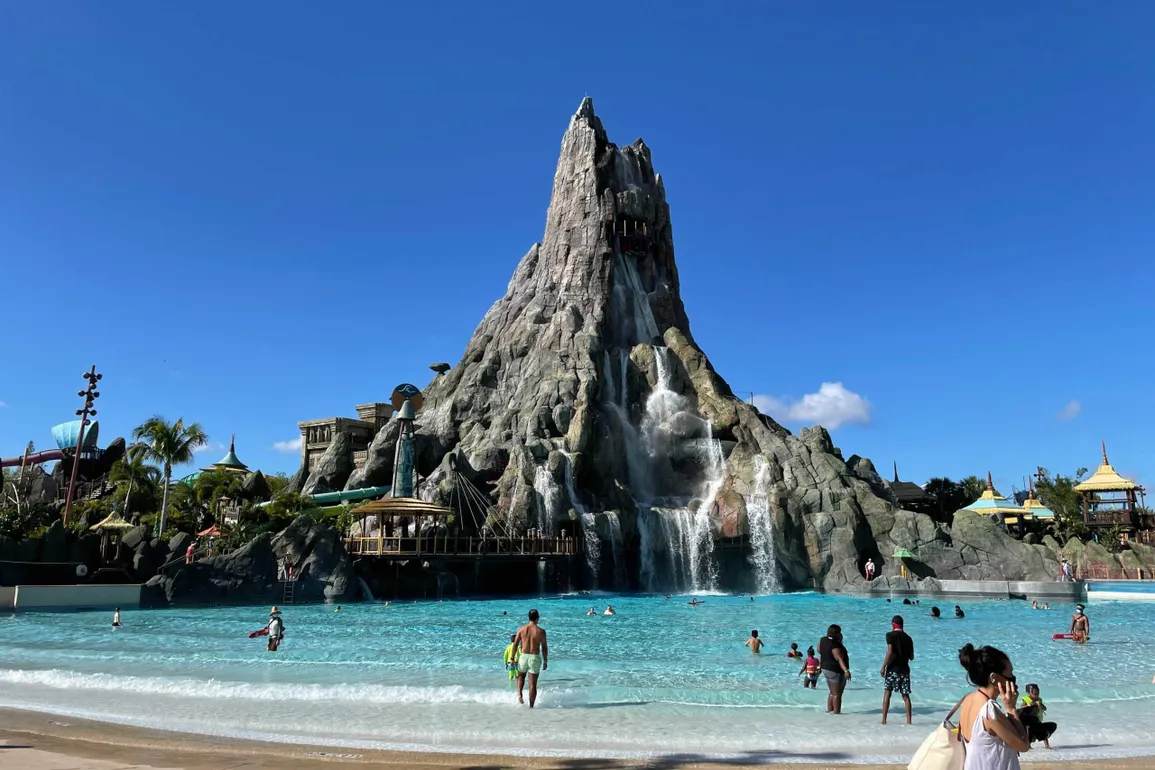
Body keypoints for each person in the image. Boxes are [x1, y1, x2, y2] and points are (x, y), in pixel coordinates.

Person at [956, 643, 1029, 769]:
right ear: (994, 678)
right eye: (1010, 674)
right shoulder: (989, 710)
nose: (1013, 678)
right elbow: (1023, 745)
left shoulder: (968, 699)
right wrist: (1011, 708)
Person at [880, 615, 914, 725]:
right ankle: (909, 722)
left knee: (887, 693)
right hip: (904, 670)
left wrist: (883, 666)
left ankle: (884, 720)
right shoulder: (908, 638)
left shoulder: (889, 635)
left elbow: (890, 652)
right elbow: (911, 657)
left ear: (893, 624)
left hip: (892, 669)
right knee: (905, 696)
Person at [513, 609, 548, 707]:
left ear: (529, 618)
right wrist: (545, 661)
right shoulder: (541, 631)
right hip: (534, 657)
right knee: (532, 684)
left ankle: (520, 694)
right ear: (537, 618)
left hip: (523, 656)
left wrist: (512, 658)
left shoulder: (521, 629)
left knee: (520, 676)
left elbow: (515, 645)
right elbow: (544, 648)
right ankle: (531, 707)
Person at [818, 624, 851, 714]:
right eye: (839, 632)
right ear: (836, 633)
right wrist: (846, 671)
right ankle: (836, 713)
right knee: (837, 694)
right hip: (835, 669)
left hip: (825, 668)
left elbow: (819, 651)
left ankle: (830, 711)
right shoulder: (834, 644)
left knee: (832, 692)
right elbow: (839, 658)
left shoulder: (822, 640)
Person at [1019, 683, 1057, 749]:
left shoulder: (1039, 700)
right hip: (1029, 721)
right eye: (1034, 694)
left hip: (1037, 720)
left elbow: (1045, 708)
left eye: (1038, 694)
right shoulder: (1026, 700)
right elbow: (1022, 707)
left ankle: (1047, 745)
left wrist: (1040, 705)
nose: (1036, 696)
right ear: (1028, 693)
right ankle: (1028, 746)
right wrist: (1029, 705)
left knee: (1043, 730)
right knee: (1029, 733)